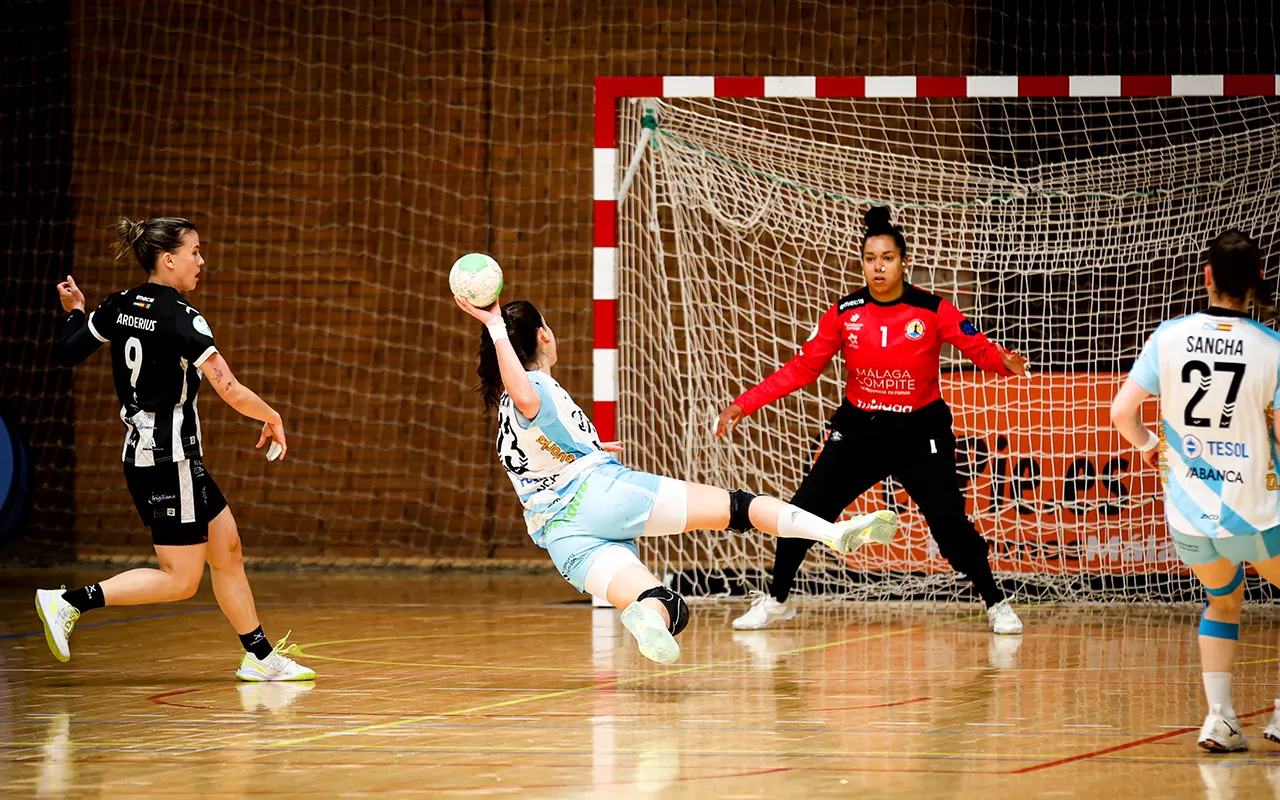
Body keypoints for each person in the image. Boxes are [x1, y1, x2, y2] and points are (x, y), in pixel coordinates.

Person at [454, 295, 899, 664]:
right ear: (544, 335)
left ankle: (645, 617)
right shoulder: (535, 388)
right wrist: (494, 324)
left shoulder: (506, 417)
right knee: (738, 508)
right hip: (602, 495)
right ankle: (831, 531)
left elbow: (540, 454)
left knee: (668, 606)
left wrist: (589, 448)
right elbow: (528, 395)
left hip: (563, 538)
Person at [716, 206, 1029, 634]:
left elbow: (977, 348)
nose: (878, 266)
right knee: (803, 512)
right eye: (870, 258)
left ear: (903, 262)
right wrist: (744, 404)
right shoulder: (845, 312)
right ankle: (778, 600)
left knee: (949, 523)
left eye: (887, 258)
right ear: (862, 262)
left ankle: (995, 602)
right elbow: (802, 370)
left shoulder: (932, 309)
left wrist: (1002, 362)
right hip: (860, 430)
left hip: (920, 433)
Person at [37, 217, 315, 682]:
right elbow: (229, 387)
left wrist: (75, 311)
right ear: (169, 259)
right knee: (180, 580)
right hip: (169, 461)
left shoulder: (117, 305)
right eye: (195, 252)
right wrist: (273, 416)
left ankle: (260, 657)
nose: (201, 261)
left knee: (226, 549)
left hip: (153, 455)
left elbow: (68, 350)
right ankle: (67, 602)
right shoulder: (182, 317)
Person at [1111, 229, 1280, 752]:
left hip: (1190, 519)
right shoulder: (1271, 348)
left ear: (1206, 276)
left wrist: (1145, 446)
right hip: (1254, 512)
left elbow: (1122, 413)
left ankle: (1220, 719)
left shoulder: (1168, 336)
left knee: (1223, 601)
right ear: (1255, 283)